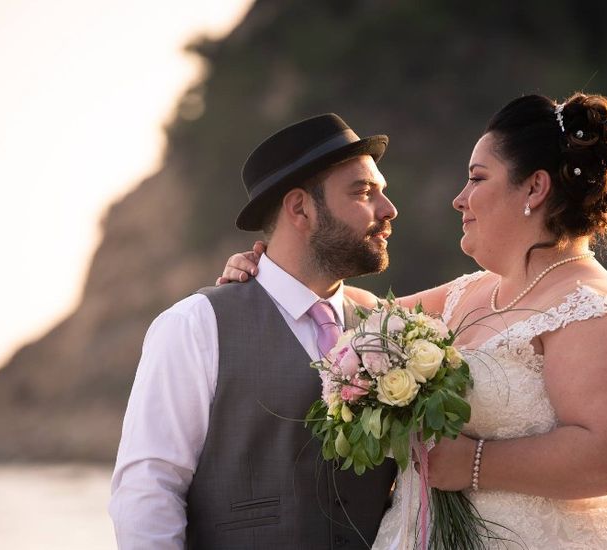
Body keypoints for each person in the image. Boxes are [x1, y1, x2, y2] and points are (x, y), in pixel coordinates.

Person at [219, 93, 607, 548]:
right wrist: (270, 274)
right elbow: (356, 315)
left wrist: (475, 464)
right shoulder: (473, 291)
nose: (460, 199)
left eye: (477, 179)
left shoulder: (598, 310)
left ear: (535, 188)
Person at [109, 113, 399, 549]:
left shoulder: (389, 327)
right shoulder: (195, 325)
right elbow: (148, 488)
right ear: (300, 208)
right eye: (363, 192)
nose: (388, 210)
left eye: (382, 192)